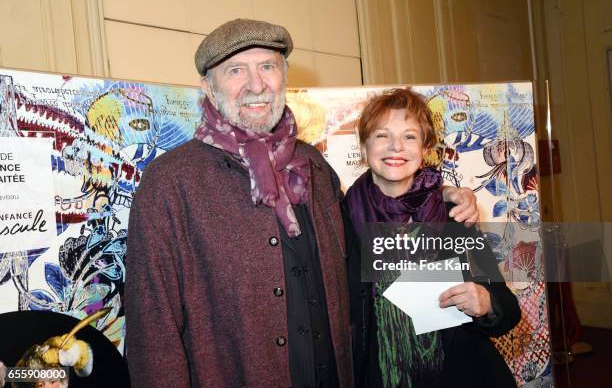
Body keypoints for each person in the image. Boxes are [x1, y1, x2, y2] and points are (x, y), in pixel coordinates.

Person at [124, 19, 479, 388]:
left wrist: (442, 194)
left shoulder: (312, 165)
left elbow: (369, 235)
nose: (256, 84)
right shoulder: (169, 183)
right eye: (235, 70)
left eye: (267, 67)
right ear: (209, 89)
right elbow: (152, 334)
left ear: (283, 77)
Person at [343, 88, 521, 388]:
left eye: (409, 136)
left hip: (459, 375)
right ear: (364, 148)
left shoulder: (452, 214)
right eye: (382, 135)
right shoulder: (341, 222)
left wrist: (487, 302)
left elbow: (507, 309)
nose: (396, 146)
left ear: (424, 148)